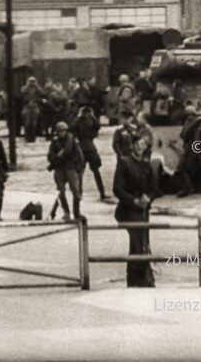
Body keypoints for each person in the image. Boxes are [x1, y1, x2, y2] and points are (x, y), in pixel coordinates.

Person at [113, 134, 157, 287]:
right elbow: (117, 189)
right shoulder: (124, 163)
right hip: (128, 209)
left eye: (142, 144)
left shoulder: (146, 165)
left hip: (143, 210)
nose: (140, 147)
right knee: (137, 242)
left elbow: (154, 188)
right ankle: (138, 278)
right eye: (137, 144)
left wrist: (148, 198)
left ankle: (138, 278)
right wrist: (134, 200)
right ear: (131, 146)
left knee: (142, 242)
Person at [47, 122, 85, 220]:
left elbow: (79, 155)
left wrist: (79, 168)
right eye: (59, 131)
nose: (61, 133)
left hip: (70, 168)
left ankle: (76, 213)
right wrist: (56, 157)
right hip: (59, 168)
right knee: (61, 192)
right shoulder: (55, 142)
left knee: (76, 193)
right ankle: (66, 212)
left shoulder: (72, 140)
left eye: (63, 131)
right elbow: (50, 156)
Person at [71, 106, 108, 200]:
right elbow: (97, 127)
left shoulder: (78, 121)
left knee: (81, 173)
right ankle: (102, 193)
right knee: (95, 172)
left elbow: (73, 130)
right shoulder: (88, 120)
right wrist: (92, 116)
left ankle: (79, 194)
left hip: (82, 147)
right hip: (90, 147)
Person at [175, 105, 201, 197]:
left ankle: (188, 188)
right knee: (181, 167)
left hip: (195, 146)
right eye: (187, 115)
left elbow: (199, 138)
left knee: (187, 166)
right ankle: (188, 187)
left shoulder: (199, 122)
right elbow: (182, 135)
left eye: (191, 115)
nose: (189, 117)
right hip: (188, 146)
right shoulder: (188, 122)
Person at [20, 77, 43, 143]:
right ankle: (27, 137)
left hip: (34, 106)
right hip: (27, 106)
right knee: (27, 123)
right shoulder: (25, 88)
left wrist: (37, 85)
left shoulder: (37, 88)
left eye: (33, 81)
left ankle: (33, 138)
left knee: (34, 124)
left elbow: (41, 92)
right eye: (31, 81)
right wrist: (27, 85)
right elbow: (22, 91)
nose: (32, 83)